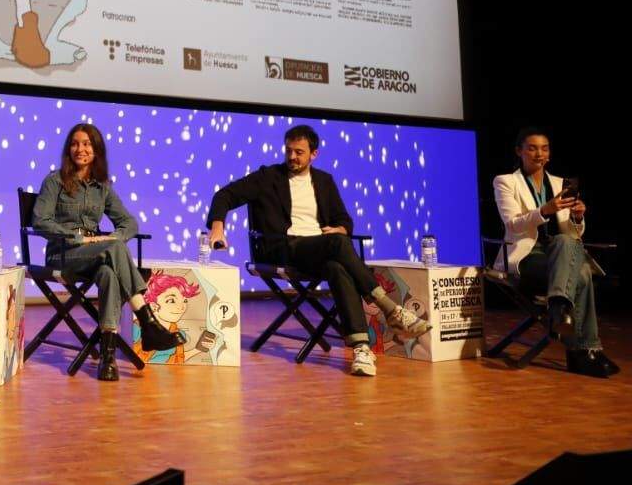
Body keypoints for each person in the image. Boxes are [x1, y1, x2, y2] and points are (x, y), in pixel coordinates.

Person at [206, 124, 431, 377]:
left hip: (318, 250)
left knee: (336, 266)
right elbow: (225, 195)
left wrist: (341, 229)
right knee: (337, 244)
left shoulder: (324, 181)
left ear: (314, 154)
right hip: (282, 249)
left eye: (299, 152)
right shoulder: (268, 177)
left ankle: (361, 348)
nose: (292, 156)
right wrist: (217, 227)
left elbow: (344, 220)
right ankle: (390, 308)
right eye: (289, 151)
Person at [30, 123, 181, 380]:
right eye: (75, 144)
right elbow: (40, 221)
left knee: (109, 273)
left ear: (96, 150)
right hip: (62, 255)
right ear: (68, 149)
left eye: (87, 144)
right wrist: (78, 237)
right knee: (113, 248)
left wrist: (113, 237)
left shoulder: (103, 187)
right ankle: (148, 322)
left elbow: (129, 223)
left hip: (96, 254)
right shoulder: (54, 181)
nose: (80, 149)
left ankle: (107, 358)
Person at [493, 127, 616, 377]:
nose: (539, 154)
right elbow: (512, 224)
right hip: (527, 257)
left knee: (565, 242)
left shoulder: (560, 183)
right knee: (581, 274)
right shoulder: (506, 182)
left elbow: (574, 233)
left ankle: (559, 306)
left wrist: (578, 217)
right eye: (532, 148)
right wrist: (544, 211)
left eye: (544, 148)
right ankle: (584, 351)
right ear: (519, 151)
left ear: (549, 154)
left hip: (560, 254)